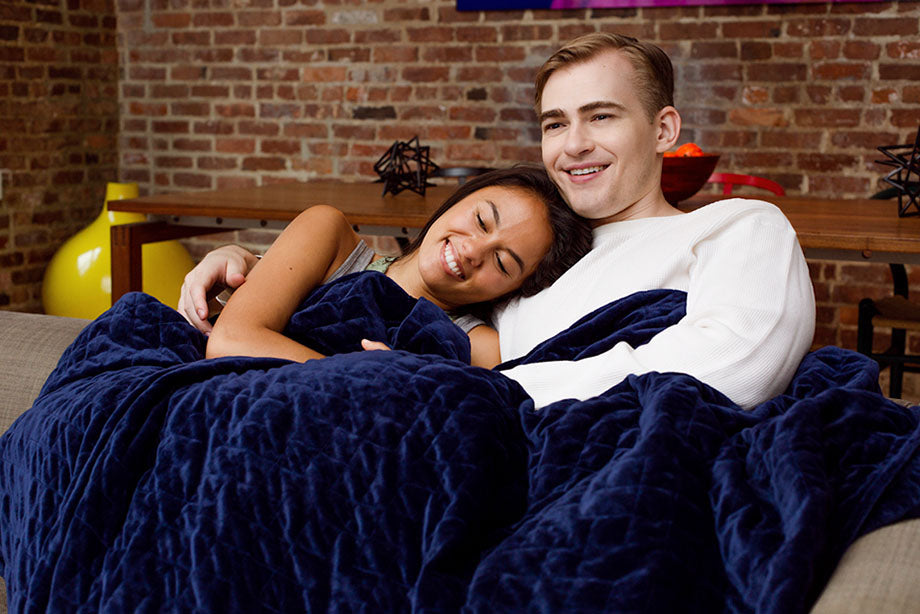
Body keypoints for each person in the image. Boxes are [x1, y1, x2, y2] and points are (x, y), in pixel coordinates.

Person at [179, 33, 815, 410]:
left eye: (601, 117)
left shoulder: (736, 227)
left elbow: (735, 365)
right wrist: (252, 265)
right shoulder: (542, 252)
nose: (574, 145)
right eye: (555, 123)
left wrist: (480, 394)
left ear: (664, 129)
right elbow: (409, 294)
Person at [203, 165, 593, 369]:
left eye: (503, 262)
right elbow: (230, 341)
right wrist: (362, 375)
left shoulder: (478, 347)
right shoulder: (329, 236)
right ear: (460, 198)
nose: (474, 250)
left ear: (513, 290)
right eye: (481, 220)